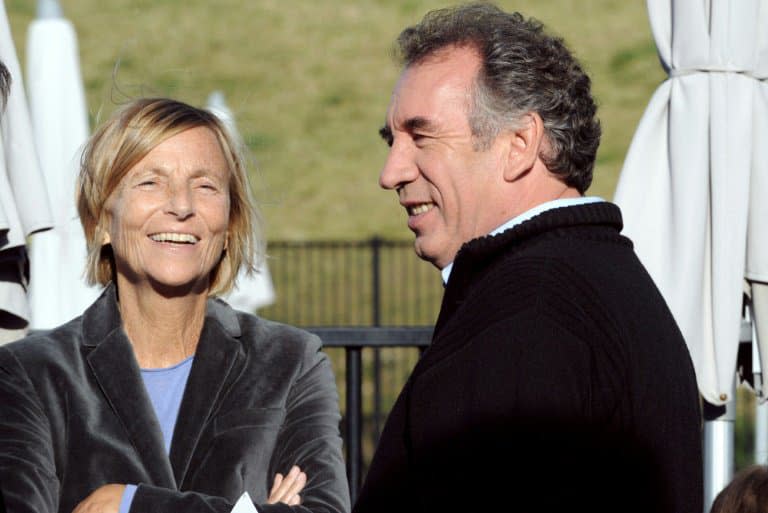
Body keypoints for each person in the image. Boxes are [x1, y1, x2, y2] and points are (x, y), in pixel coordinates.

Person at [353, 3, 702, 513]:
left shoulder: (532, 312)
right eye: (392, 140)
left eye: (421, 135)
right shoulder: (587, 284)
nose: (391, 172)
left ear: (519, 144)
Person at [0, 97, 350, 513]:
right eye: (150, 182)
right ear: (101, 221)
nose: (182, 206)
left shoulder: (290, 361)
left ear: (229, 226)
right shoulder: (31, 375)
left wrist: (133, 503)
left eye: (205, 186)